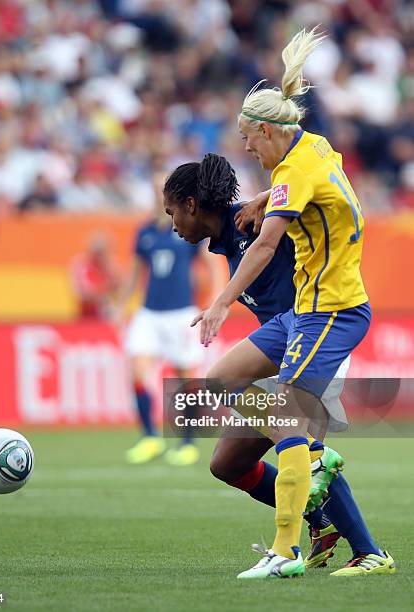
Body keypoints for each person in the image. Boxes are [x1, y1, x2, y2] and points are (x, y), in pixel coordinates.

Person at [164, 28, 395, 579]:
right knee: (227, 454)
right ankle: (317, 507)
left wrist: (220, 302)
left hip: (317, 324)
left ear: (195, 206)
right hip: (292, 332)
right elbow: (318, 161)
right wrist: (268, 194)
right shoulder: (266, 197)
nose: (171, 223)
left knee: (287, 424)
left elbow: (273, 235)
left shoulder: (259, 225)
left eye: (173, 212)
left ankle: (336, 535)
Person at [122, 172, 221, 466]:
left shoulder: (188, 227)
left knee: (186, 378)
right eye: (155, 190)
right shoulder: (145, 231)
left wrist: (216, 299)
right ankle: (150, 437)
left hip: (181, 313)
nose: (158, 195)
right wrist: (123, 304)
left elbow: (211, 264)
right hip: (149, 312)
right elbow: (137, 272)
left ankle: (187, 441)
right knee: (138, 370)